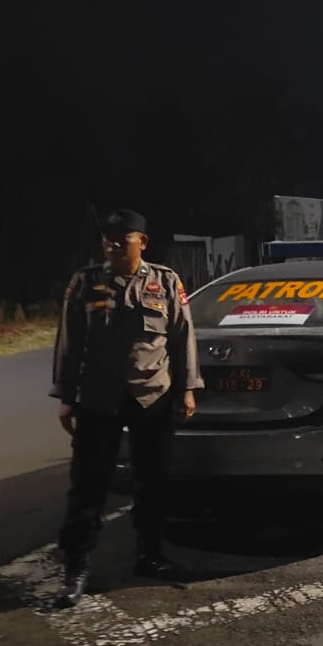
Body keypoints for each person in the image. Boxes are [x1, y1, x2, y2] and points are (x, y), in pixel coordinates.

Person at [50, 209, 203, 607]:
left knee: (152, 481)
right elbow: (69, 342)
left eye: (123, 237)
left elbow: (182, 336)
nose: (113, 243)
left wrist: (187, 389)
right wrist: (66, 396)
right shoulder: (85, 282)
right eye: (108, 237)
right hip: (98, 397)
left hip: (152, 394)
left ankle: (150, 555)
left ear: (143, 242)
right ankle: (76, 567)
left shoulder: (165, 281)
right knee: (88, 485)